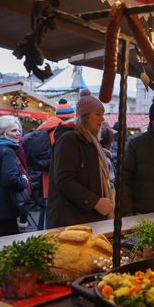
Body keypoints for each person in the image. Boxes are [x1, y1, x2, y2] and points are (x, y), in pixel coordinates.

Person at [46, 89, 113, 228]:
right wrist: (95, 202)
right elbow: (64, 180)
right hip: (70, 220)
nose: (102, 118)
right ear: (85, 116)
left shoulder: (90, 140)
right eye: (98, 114)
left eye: (102, 114)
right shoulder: (69, 139)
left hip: (85, 217)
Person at [0, 115, 28, 239]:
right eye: (13, 130)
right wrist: (24, 181)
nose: (18, 134)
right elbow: (11, 179)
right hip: (4, 209)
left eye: (19, 130)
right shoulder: (8, 151)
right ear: (2, 134)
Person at [34, 98, 74, 230]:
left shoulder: (46, 127)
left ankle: (40, 238)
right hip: (54, 178)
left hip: (44, 175)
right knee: (51, 214)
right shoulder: (60, 131)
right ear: (69, 117)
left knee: (45, 210)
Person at [100, 126, 116, 190]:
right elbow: (110, 181)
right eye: (111, 142)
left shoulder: (98, 153)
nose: (112, 145)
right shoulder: (106, 158)